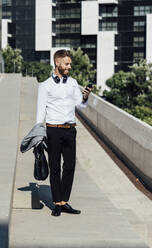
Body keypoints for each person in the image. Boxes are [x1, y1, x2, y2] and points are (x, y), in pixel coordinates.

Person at [36, 49, 92, 216]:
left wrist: (85, 97)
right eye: (67, 63)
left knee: (70, 166)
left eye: (70, 64)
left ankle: (64, 201)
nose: (69, 66)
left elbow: (80, 105)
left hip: (70, 130)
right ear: (57, 63)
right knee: (55, 167)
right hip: (53, 130)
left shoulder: (73, 82)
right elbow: (40, 113)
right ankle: (56, 203)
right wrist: (38, 134)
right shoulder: (45, 86)